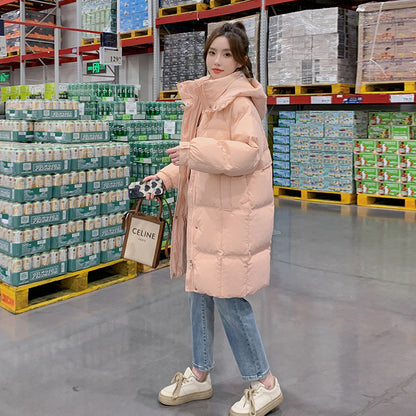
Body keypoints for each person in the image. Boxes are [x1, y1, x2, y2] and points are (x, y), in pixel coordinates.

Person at [142, 22, 282, 416]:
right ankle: (200, 374)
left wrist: (193, 152)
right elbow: (193, 161)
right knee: (200, 293)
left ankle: (264, 382)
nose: (217, 61)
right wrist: (164, 178)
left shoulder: (238, 102)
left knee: (229, 299)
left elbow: (246, 154)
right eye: (211, 53)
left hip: (230, 218)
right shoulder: (206, 100)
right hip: (208, 215)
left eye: (226, 54)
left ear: (241, 60)